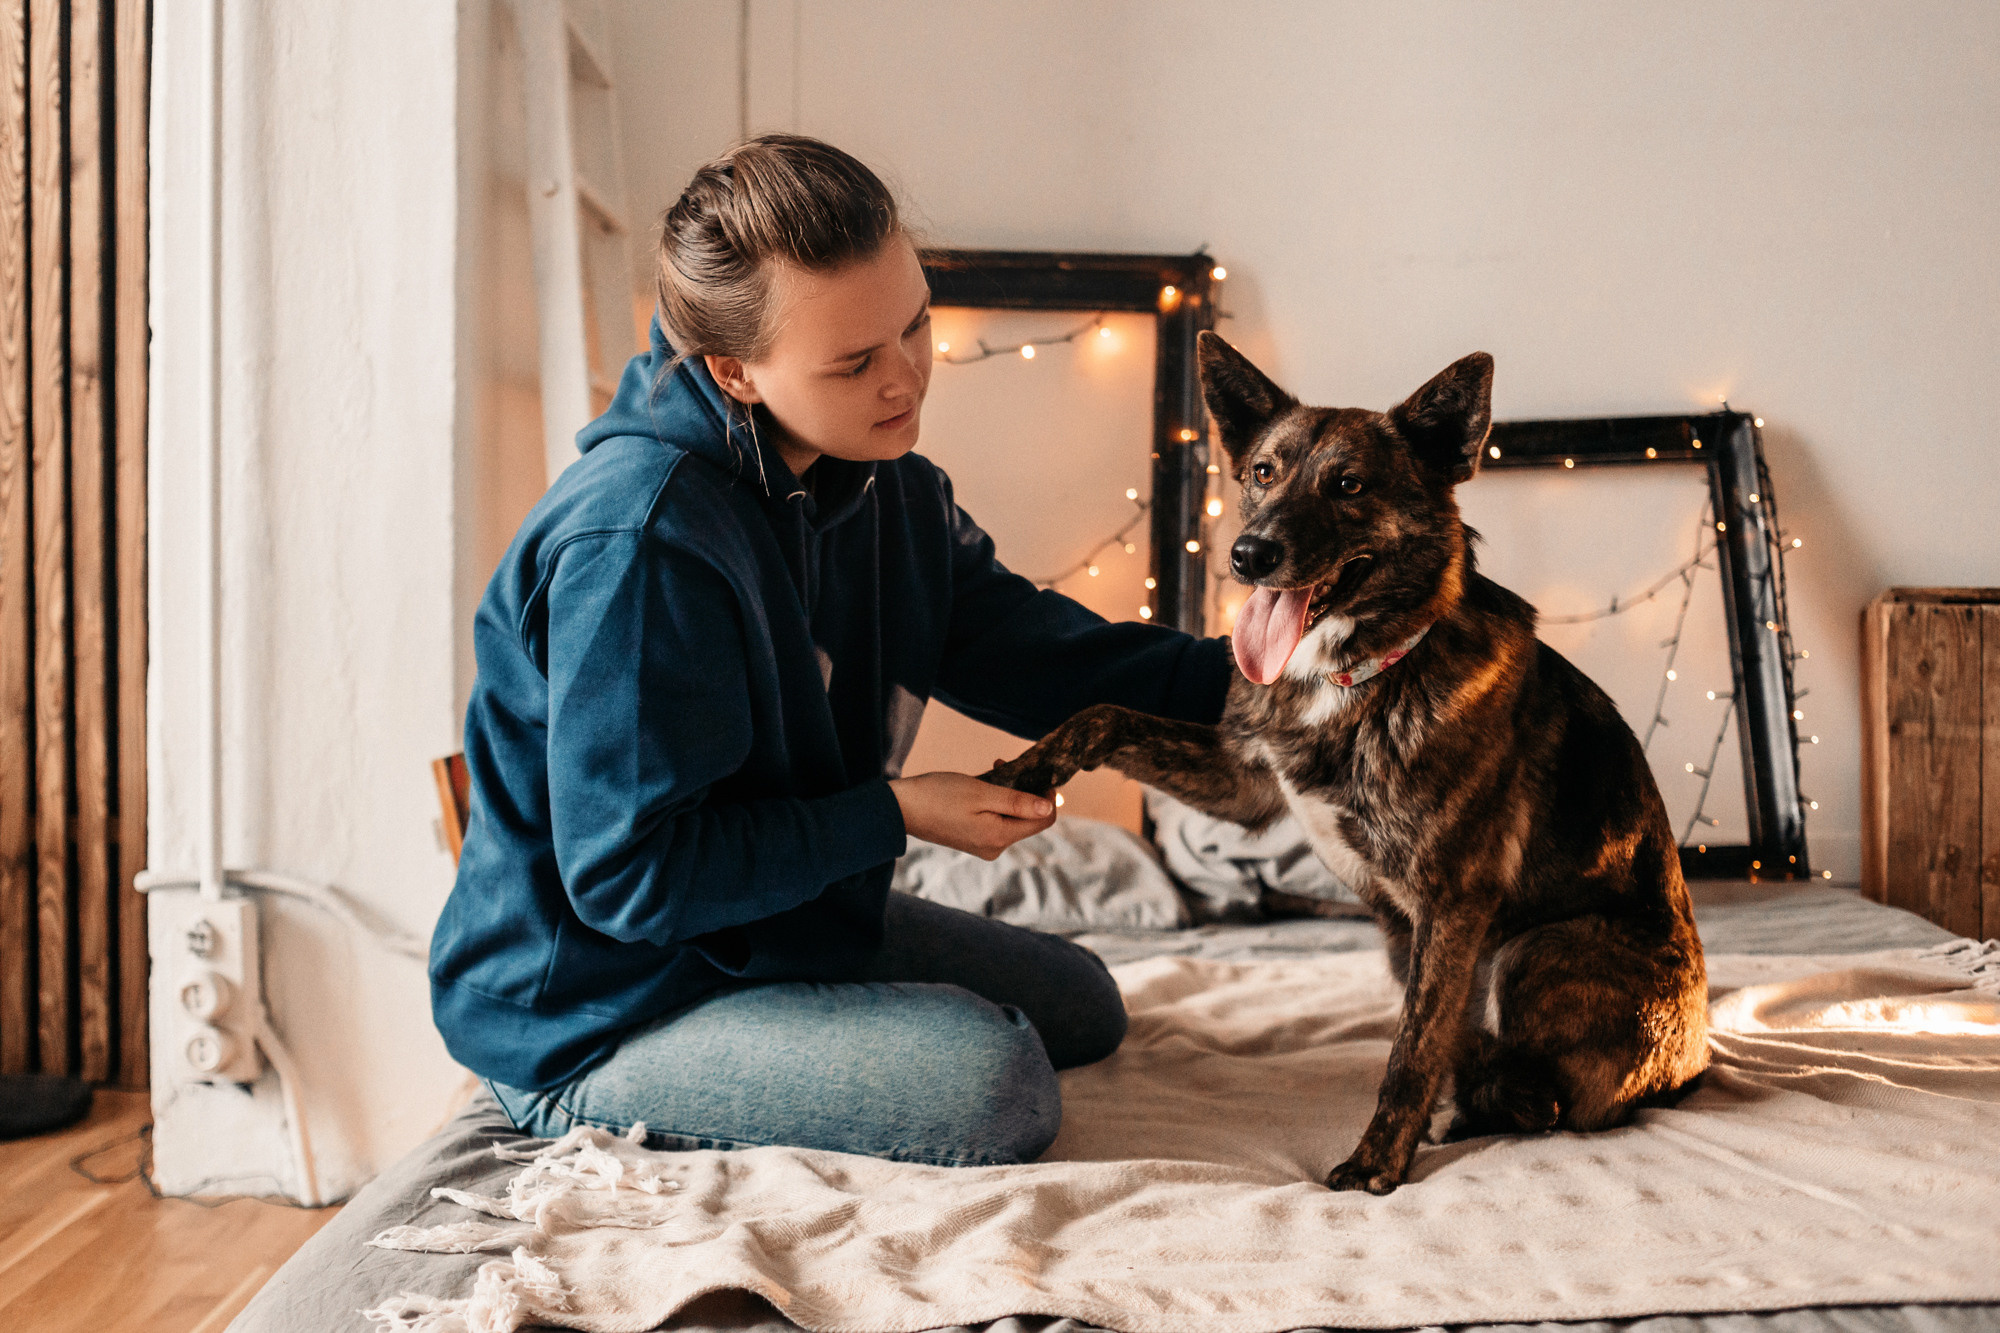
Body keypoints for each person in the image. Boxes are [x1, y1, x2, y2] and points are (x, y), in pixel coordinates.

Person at [429, 134, 1231, 1167]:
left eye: (914, 327)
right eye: (854, 362)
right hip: (598, 1003)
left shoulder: (888, 483)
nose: (904, 380)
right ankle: (569, 1096)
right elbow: (630, 879)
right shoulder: (638, 544)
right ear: (733, 369)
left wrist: (1260, 680)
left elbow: (1032, 652)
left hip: (772, 923)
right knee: (998, 1090)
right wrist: (892, 814)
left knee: (1084, 1005)